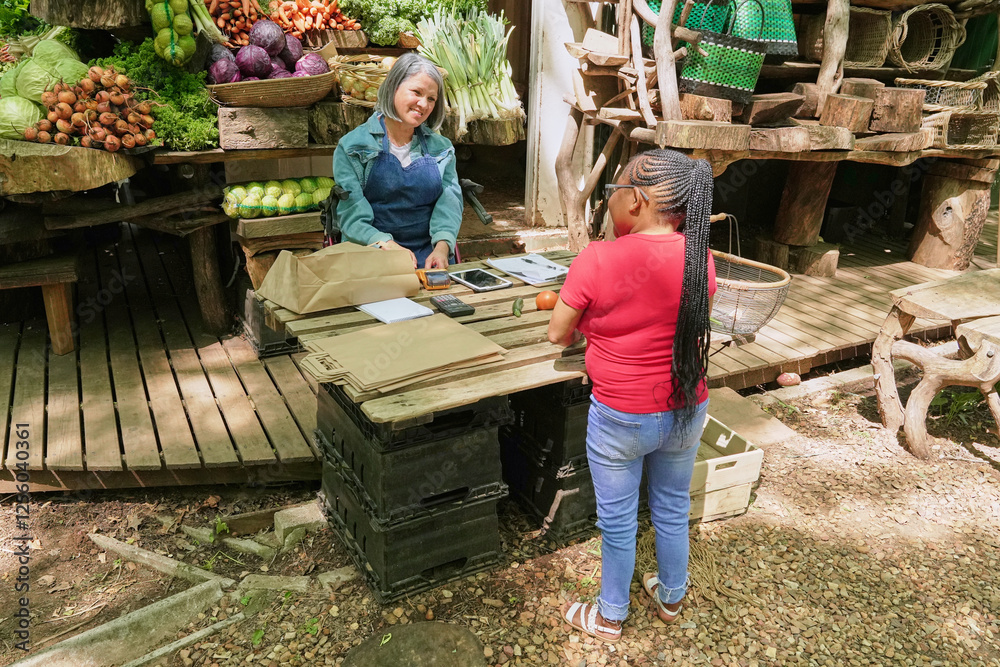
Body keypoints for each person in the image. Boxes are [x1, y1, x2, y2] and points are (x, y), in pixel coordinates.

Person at [548, 149, 718, 643]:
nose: (610, 204)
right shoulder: (699, 256)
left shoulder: (597, 257)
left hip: (622, 414)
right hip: (687, 405)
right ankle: (671, 595)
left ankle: (609, 615)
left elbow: (558, 333)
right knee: (670, 505)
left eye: (614, 193)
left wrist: (592, 329)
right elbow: (690, 323)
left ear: (638, 200)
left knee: (618, 521)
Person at [331, 53, 462, 269]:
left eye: (431, 98)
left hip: (429, 260)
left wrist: (441, 248)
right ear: (393, 87)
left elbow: (449, 205)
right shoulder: (352, 147)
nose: (424, 104)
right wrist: (388, 245)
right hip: (372, 255)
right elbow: (352, 217)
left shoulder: (442, 149)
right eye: (417, 92)